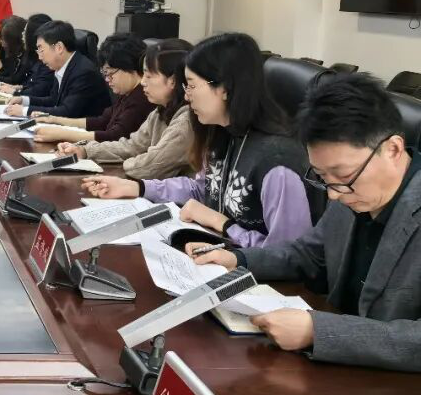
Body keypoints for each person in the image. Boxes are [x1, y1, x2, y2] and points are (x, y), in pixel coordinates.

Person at [187, 74, 420, 372]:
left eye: (343, 176)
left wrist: (317, 331)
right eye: (322, 177)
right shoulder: (350, 190)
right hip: (337, 373)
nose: (334, 195)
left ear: (393, 149)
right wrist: (237, 258)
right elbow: (309, 255)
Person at [83, 32, 313, 247]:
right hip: (215, 252)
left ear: (225, 88)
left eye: (191, 85)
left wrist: (224, 225)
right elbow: (200, 189)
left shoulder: (277, 162)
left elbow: (288, 253)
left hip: (250, 272)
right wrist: (138, 187)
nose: (186, 95)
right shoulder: (222, 132)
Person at [56, 39, 194, 180]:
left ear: (173, 81)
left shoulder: (185, 122)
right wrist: (84, 150)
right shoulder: (160, 111)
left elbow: (148, 167)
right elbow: (132, 146)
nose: (143, 82)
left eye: (148, 76)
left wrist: (129, 161)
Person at [35, 33, 153, 144]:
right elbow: (101, 121)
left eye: (110, 73)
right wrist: (54, 120)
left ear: (129, 66)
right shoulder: (127, 93)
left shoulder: (142, 98)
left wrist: (62, 134)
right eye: (105, 73)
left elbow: (114, 137)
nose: (107, 79)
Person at [3, 20, 112, 119]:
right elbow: (53, 100)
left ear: (59, 48)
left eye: (41, 50)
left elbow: (67, 112)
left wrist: (25, 111)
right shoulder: (63, 66)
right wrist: (23, 100)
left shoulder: (83, 72)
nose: (40, 57)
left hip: (86, 131)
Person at [0, 13, 53, 96]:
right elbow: (30, 83)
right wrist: (18, 87)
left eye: (25, 32)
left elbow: (40, 90)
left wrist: (15, 92)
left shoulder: (48, 60)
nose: (22, 35)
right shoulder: (32, 56)